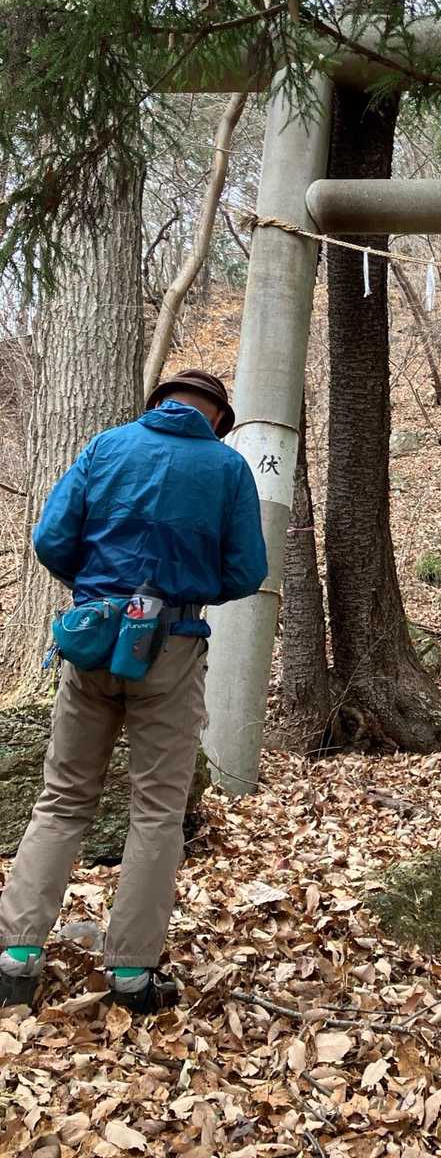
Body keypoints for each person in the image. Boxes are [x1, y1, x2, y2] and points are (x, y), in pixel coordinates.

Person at [0, 370, 267, 1013]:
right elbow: (247, 571)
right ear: (216, 419)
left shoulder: (106, 447)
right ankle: (130, 973)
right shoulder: (227, 469)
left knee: (63, 799)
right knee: (156, 811)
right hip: (172, 646)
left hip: (92, 641)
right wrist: (187, 589)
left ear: (158, 405)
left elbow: (51, 540)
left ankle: (15, 958)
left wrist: (99, 592)